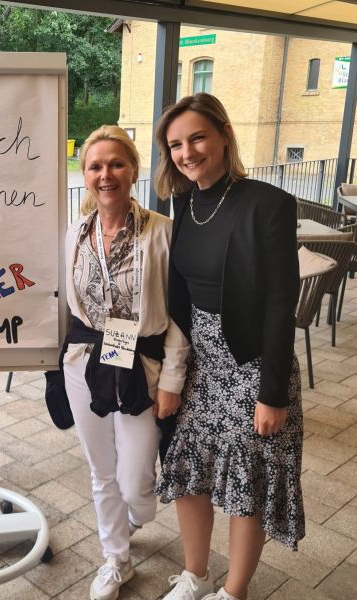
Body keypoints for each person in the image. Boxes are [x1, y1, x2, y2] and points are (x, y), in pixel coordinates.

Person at [153, 93, 304, 600]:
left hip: (253, 361)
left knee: (245, 479)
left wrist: (273, 393)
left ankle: (233, 592)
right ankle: (196, 575)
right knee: (188, 464)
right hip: (203, 364)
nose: (187, 152)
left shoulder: (268, 203)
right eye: (175, 144)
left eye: (197, 137)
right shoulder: (182, 202)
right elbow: (179, 297)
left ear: (223, 134)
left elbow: (284, 301)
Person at [63, 125, 189, 600]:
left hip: (143, 365)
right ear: (85, 174)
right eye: (96, 166)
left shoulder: (162, 232)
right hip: (85, 362)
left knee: (137, 482)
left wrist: (173, 380)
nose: (106, 174)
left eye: (116, 164)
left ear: (133, 171)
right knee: (101, 472)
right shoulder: (76, 232)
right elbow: (64, 302)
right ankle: (116, 559)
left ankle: (135, 515)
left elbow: (181, 315)